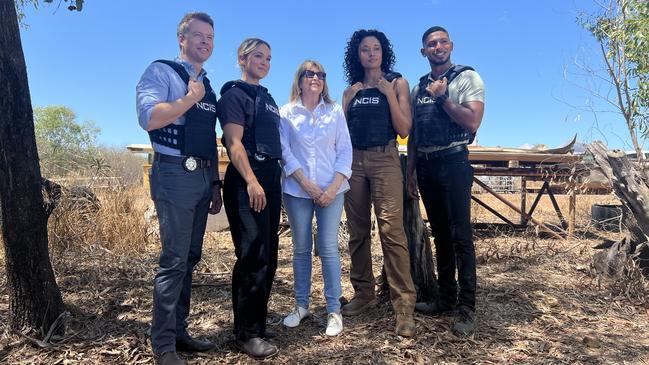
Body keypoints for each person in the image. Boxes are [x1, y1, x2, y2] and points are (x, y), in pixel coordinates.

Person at [135, 12, 221, 365]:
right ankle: (163, 345)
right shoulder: (161, 72)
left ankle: (180, 331)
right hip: (173, 174)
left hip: (202, 177)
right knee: (173, 261)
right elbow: (148, 118)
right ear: (181, 38)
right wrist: (188, 98)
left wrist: (215, 183)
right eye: (198, 35)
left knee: (190, 258)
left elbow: (208, 137)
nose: (205, 41)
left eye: (211, 37)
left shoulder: (208, 84)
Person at [407, 26, 485, 336]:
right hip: (425, 165)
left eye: (441, 42)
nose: (437, 47)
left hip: (453, 160)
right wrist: (410, 170)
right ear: (423, 51)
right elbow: (413, 134)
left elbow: (472, 120)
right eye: (430, 44)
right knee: (439, 234)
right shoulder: (418, 88)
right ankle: (446, 298)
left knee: (460, 237)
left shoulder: (467, 78)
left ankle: (466, 308)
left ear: (450, 45)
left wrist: (442, 99)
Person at [341, 29, 417, 337]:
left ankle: (404, 307)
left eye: (375, 48)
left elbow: (404, 128)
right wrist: (345, 102)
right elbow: (339, 133)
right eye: (364, 49)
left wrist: (388, 94)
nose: (371, 54)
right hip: (354, 162)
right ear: (356, 55)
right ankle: (364, 293)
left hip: (385, 158)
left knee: (391, 230)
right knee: (358, 233)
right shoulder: (353, 89)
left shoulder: (397, 82)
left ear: (384, 52)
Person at [216, 38, 281, 359]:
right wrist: (252, 181)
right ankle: (246, 334)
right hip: (247, 179)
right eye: (258, 56)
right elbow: (233, 142)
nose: (264, 62)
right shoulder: (234, 94)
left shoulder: (267, 98)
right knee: (253, 254)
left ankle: (257, 322)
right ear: (242, 59)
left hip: (270, 177)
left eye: (268, 58)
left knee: (269, 253)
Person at [279, 60, 353, 337]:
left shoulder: (334, 112)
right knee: (301, 248)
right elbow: (285, 152)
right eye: (310, 74)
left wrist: (333, 187)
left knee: (329, 247)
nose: (316, 78)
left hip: (332, 190)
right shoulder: (286, 113)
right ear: (299, 80)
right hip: (298, 190)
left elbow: (345, 151)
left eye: (321, 74)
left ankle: (334, 309)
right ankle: (301, 306)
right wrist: (306, 184)